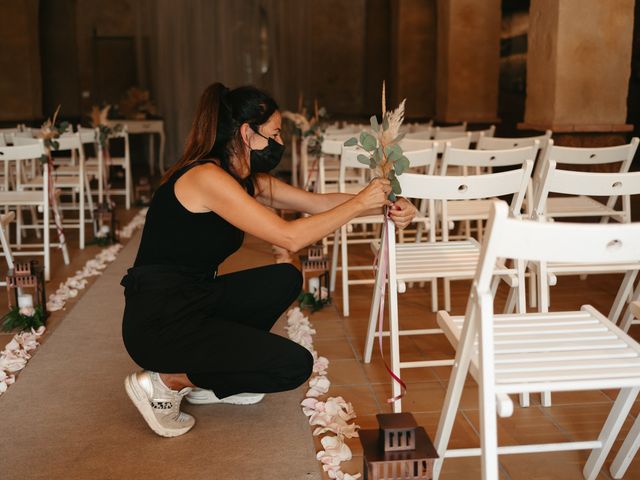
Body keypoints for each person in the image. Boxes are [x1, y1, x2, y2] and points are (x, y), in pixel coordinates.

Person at [120, 82, 417, 438]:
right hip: (158, 321)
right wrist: (359, 203)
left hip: (194, 299)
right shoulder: (207, 178)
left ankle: (202, 372)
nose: (280, 143)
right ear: (247, 133)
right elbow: (289, 236)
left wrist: (384, 203)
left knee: (285, 278)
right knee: (293, 366)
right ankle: (168, 379)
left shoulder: (246, 180)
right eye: (275, 134)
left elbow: (315, 202)